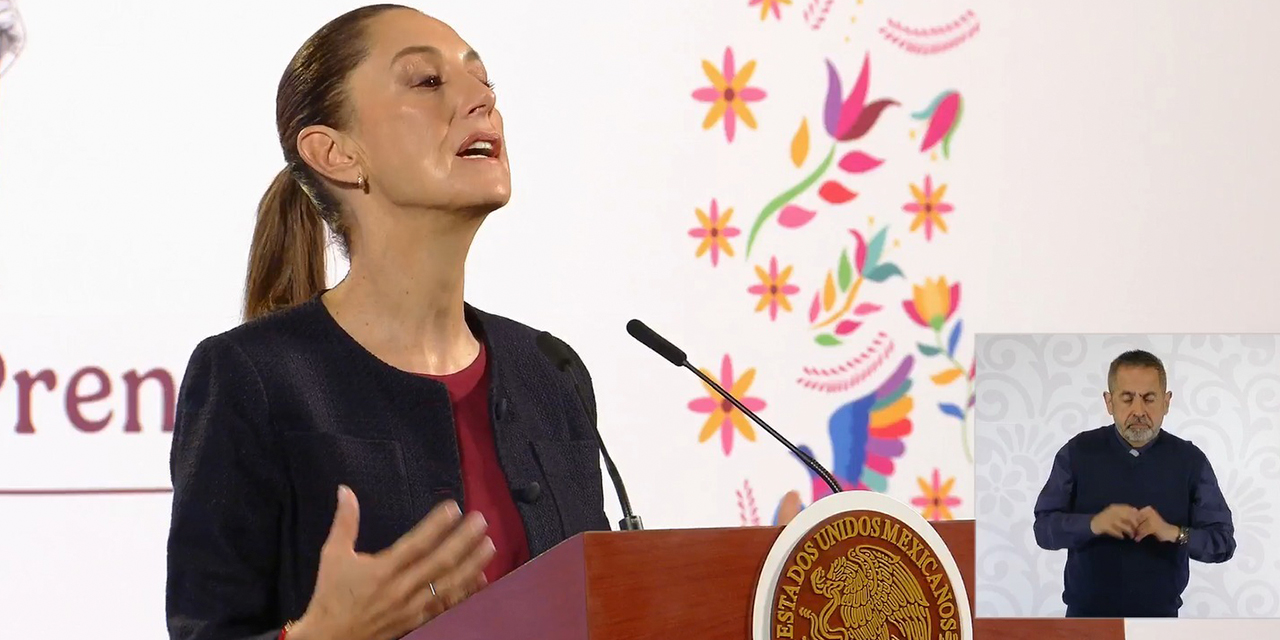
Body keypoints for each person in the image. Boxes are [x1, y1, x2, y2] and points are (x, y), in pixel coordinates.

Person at [164, 5, 610, 640]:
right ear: (336, 153)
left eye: (485, 82)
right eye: (428, 82)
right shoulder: (250, 378)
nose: (481, 100)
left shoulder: (552, 372)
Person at [1032, 349, 1235, 618]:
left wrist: (1173, 532)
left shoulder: (1191, 461)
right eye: (1127, 399)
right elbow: (1043, 529)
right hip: (1085, 620)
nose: (1138, 411)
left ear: (1166, 402)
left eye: (1149, 399)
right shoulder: (1077, 452)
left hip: (1160, 620)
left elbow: (1222, 542)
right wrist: (1093, 524)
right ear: (1109, 402)